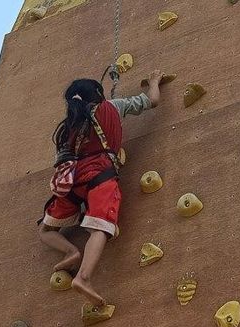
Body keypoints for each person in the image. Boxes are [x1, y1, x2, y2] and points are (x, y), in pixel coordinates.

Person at [38, 70, 163, 306]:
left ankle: (70, 252)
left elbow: (60, 160)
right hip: (101, 175)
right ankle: (83, 277)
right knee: (100, 227)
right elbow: (151, 101)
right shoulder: (112, 107)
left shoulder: (68, 127)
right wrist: (155, 81)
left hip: (72, 182)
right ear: (98, 95)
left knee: (45, 231)